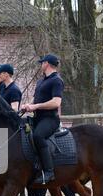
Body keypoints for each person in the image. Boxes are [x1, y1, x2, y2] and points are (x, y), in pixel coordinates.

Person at [20, 54, 63, 184]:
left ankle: (49, 172)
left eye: (42, 62)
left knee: (38, 136)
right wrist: (28, 105)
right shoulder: (41, 81)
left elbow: (56, 102)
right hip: (37, 117)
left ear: (47, 64)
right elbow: (36, 98)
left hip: (50, 119)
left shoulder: (57, 80)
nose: (40, 65)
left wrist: (36, 106)